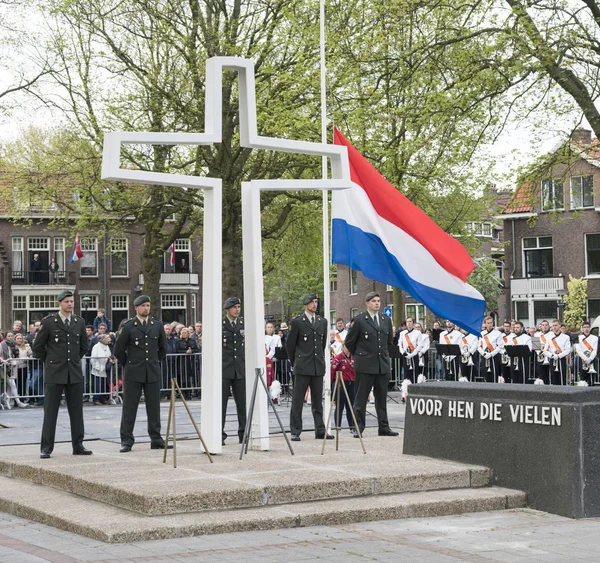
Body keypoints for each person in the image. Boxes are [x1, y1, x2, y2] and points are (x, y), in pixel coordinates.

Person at [32, 289, 92, 458]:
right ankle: (46, 447)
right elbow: (38, 347)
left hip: (73, 372)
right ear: (59, 303)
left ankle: (78, 445)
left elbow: (83, 346)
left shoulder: (78, 322)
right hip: (55, 373)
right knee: (51, 412)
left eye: (72, 301)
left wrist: (72, 360)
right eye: (66, 301)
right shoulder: (50, 322)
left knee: (77, 411)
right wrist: (51, 361)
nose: (70, 304)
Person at [114, 295, 169, 452]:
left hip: (151, 371)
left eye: (147, 305)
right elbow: (118, 350)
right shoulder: (129, 326)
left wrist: (153, 361)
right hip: (133, 373)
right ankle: (126, 440)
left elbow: (163, 349)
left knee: (154, 408)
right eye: (143, 305)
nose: (146, 308)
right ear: (136, 308)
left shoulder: (156, 325)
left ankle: (156, 438)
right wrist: (129, 364)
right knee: (129, 408)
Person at [344, 292, 398, 438]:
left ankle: (384, 427)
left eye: (379, 301)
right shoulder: (360, 320)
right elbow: (349, 342)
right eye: (374, 301)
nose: (377, 303)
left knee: (381, 398)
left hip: (382, 365)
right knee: (361, 397)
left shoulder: (385, 320)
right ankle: (358, 427)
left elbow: (388, 342)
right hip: (365, 365)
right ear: (367, 303)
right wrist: (361, 354)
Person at [286, 292, 332, 442]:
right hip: (302, 366)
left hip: (317, 366)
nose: (315, 304)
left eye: (316, 302)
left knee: (318, 401)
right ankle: (295, 430)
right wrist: (296, 363)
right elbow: (290, 345)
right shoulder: (298, 322)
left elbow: (322, 343)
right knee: (298, 401)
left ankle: (320, 429)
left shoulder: (322, 322)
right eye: (312, 302)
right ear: (306, 304)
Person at [221, 296, 246, 446]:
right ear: (227, 309)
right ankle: (220, 434)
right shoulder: (221, 324)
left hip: (240, 369)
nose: (237, 310)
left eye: (238, 307)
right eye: (234, 307)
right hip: (224, 368)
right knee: (221, 405)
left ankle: (243, 433)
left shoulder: (243, 323)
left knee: (242, 404)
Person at [0, 332, 28, 408]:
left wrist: (13, 361)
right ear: (6, 337)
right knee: (13, 385)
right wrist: (5, 362)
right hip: (4, 367)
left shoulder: (13, 345)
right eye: (9, 336)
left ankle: (8, 401)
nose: (10, 337)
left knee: (10, 387)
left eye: (11, 336)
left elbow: (14, 355)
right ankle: (18, 402)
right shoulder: (2, 344)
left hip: (12, 367)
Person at [330, 347, 355, 431]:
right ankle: (338, 426)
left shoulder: (353, 357)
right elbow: (332, 372)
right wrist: (332, 384)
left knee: (351, 406)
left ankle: (352, 427)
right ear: (343, 347)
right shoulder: (338, 358)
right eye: (346, 347)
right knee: (339, 406)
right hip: (341, 384)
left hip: (352, 384)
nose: (348, 349)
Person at [542, 319, 572, 385]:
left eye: (556, 325)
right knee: (553, 378)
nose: (554, 327)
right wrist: (552, 355)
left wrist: (559, 355)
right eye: (553, 326)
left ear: (560, 326)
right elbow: (545, 350)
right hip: (553, 359)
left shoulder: (566, 337)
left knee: (562, 378)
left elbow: (568, 349)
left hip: (562, 359)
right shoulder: (549, 337)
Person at [478, 316, 504, 383]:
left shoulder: (498, 333)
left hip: (494, 356)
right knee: (485, 375)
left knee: (494, 375)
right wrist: (484, 353)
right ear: (485, 324)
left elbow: (500, 346)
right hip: (485, 356)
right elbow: (478, 346)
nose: (490, 324)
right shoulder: (482, 333)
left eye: (491, 323)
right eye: (488, 323)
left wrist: (491, 354)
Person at [175, 327, 199, 399]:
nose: (184, 334)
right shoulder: (178, 341)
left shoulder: (192, 341)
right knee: (183, 378)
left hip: (190, 362)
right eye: (182, 333)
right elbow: (177, 350)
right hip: (182, 362)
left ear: (188, 334)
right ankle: (183, 394)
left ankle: (189, 393)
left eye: (185, 333)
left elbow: (196, 349)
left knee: (189, 378)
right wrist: (185, 352)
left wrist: (191, 351)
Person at [90, 334, 114, 404]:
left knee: (103, 385)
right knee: (97, 385)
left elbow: (109, 355)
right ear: (102, 339)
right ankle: (96, 400)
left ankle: (102, 399)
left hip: (104, 369)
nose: (109, 339)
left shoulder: (107, 346)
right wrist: (98, 368)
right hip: (97, 369)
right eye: (107, 338)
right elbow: (93, 359)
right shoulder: (96, 347)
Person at [398, 317, 421, 383]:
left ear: (413, 323)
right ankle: (406, 388)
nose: (409, 323)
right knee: (406, 372)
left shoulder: (418, 333)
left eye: (410, 321)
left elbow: (419, 345)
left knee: (414, 373)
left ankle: (414, 387)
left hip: (414, 354)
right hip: (406, 355)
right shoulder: (402, 333)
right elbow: (400, 344)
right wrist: (403, 352)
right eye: (407, 321)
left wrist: (413, 354)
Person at [576, 321, 598, 385]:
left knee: (591, 379)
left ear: (590, 328)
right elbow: (578, 350)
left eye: (587, 327)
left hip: (592, 359)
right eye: (584, 327)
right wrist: (585, 359)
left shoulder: (595, 338)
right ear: (582, 328)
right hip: (582, 360)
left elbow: (595, 350)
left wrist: (590, 359)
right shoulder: (578, 338)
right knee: (583, 379)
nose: (586, 329)